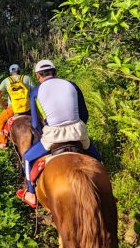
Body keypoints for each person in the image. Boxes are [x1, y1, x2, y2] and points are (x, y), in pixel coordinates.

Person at [17, 59, 102, 208]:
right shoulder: (72, 85)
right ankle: (105, 192)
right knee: (98, 159)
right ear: (55, 72)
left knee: (28, 158)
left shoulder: (36, 92)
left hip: (53, 136)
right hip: (78, 132)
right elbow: (84, 115)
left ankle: (31, 193)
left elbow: (36, 124)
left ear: (38, 75)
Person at [0, 64, 35, 150]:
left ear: (10, 72)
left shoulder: (6, 81)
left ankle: (3, 142)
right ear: (19, 71)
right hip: (28, 108)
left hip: (13, 108)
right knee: (42, 119)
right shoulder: (27, 78)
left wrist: (4, 106)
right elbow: (34, 93)